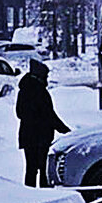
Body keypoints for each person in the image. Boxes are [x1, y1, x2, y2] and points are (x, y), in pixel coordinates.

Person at [16, 59, 70, 188]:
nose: (47, 78)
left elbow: (19, 113)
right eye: (46, 76)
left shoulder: (23, 91)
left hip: (27, 135)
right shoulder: (40, 92)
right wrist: (65, 130)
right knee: (43, 168)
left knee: (31, 168)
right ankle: (44, 194)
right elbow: (49, 115)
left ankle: (29, 193)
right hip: (41, 136)